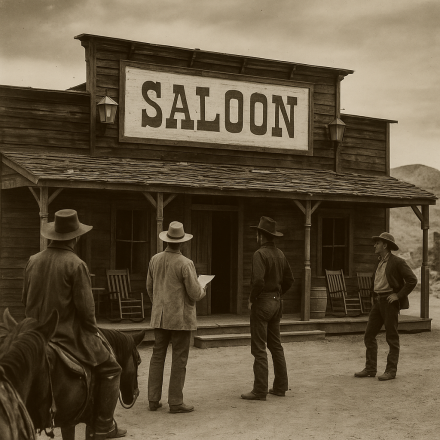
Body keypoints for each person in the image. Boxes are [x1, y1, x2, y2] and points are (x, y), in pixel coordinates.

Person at [22, 209, 126, 440]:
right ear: (76, 237)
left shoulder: (32, 261)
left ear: (52, 235)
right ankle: (104, 425)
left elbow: (24, 300)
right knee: (112, 368)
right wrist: (92, 331)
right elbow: (87, 313)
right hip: (65, 336)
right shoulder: (76, 264)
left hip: (32, 335)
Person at [147, 221, 206, 413]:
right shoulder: (185, 263)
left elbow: (149, 287)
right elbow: (195, 294)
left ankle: (153, 399)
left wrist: (158, 303)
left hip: (159, 317)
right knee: (179, 358)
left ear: (167, 240)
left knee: (157, 356)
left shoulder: (154, 259)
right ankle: (175, 401)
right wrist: (203, 288)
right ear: (182, 242)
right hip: (180, 318)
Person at [241, 216, 294, 401]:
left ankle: (260, 390)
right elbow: (289, 280)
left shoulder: (259, 254)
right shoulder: (280, 254)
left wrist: (252, 299)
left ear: (260, 235)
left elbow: (258, 281)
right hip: (277, 302)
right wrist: (278, 294)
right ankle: (280, 387)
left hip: (262, 302)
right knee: (276, 346)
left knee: (259, 348)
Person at [355, 232, 417, 381]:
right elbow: (377, 282)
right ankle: (370, 369)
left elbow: (412, 280)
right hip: (378, 302)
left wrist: (398, 295)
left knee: (392, 337)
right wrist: (373, 297)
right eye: (375, 243)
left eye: (377, 243)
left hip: (390, 303)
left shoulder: (397, 262)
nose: (374, 245)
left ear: (385, 245)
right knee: (369, 335)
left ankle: (391, 371)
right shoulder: (379, 262)